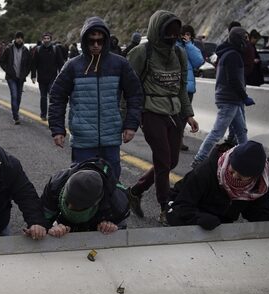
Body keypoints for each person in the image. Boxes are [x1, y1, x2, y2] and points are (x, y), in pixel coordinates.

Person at [124, 10, 199, 225]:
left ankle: (135, 191)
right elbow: (128, 86)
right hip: (150, 111)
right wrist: (128, 118)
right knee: (163, 159)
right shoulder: (141, 52)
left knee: (171, 160)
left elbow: (182, 88)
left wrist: (189, 114)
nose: (172, 38)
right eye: (169, 33)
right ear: (158, 31)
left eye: (176, 34)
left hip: (174, 112)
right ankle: (165, 207)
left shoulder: (179, 54)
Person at [49, 16, 143, 179]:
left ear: (106, 41)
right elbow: (57, 96)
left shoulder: (119, 64)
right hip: (83, 139)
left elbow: (135, 94)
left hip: (111, 138)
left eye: (100, 41)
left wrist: (131, 125)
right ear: (84, 41)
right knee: (83, 186)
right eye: (91, 41)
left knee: (111, 184)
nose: (96, 45)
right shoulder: (72, 66)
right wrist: (57, 129)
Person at [167, 141, 269, 230]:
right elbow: (182, 204)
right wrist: (198, 217)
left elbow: (254, 212)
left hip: (219, 223)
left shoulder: (258, 185)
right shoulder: (206, 171)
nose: (234, 176)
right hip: (186, 210)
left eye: (241, 176)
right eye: (232, 171)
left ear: (253, 177)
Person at [192, 27, 254, 167]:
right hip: (230, 100)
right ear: (238, 39)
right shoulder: (233, 55)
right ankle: (199, 159)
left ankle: (246, 158)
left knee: (241, 131)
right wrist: (244, 97)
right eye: (244, 38)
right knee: (217, 132)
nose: (247, 41)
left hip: (231, 99)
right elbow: (234, 80)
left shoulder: (227, 53)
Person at [40, 158, 130, 237]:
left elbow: (122, 236)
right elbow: (40, 220)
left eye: (77, 208)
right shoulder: (56, 185)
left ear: (96, 203)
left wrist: (113, 228)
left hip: (97, 223)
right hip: (63, 223)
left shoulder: (118, 204)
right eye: (68, 202)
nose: (70, 208)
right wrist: (50, 228)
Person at [177, 24, 204, 151]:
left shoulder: (190, 47)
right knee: (176, 115)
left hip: (189, 88)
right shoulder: (175, 46)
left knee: (184, 117)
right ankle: (175, 139)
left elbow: (199, 61)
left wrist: (188, 45)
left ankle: (179, 140)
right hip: (177, 87)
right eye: (184, 34)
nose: (186, 36)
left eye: (189, 34)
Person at [31, 32, 65, 121]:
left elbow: (61, 63)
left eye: (48, 38)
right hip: (41, 78)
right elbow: (34, 64)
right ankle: (43, 114)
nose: (46, 40)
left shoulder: (55, 49)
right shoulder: (38, 50)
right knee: (43, 97)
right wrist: (33, 75)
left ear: (51, 39)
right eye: (45, 38)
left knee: (52, 96)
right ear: (42, 39)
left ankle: (52, 114)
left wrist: (63, 76)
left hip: (53, 78)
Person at [0, 31, 31, 125]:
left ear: (23, 39)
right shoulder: (9, 49)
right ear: (15, 39)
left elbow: (29, 64)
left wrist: (25, 73)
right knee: (14, 95)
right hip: (11, 77)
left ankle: (15, 111)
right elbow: (2, 61)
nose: (19, 39)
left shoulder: (25, 50)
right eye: (18, 37)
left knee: (18, 97)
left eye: (21, 38)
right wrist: (8, 70)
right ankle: (15, 116)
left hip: (21, 78)